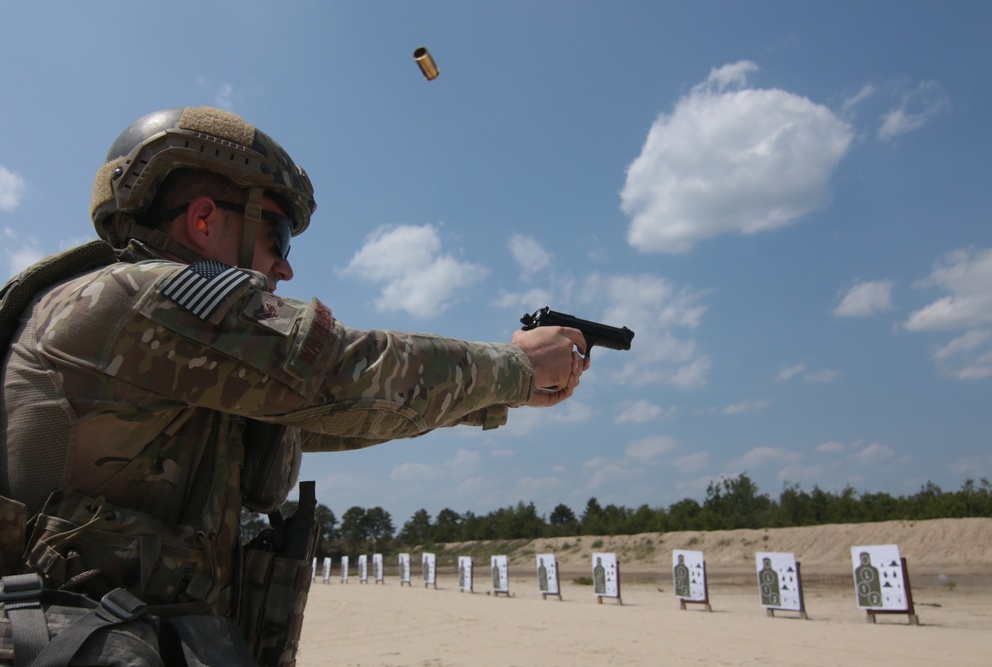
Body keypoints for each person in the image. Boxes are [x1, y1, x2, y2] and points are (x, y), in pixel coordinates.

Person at [0, 106, 588, 666]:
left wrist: (497, 396)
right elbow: (339, 374)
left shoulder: (172, 346)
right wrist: (516, 369)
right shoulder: (140, 297)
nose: (284, 268)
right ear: (203, 220)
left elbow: (328, 414)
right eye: (277, 237)